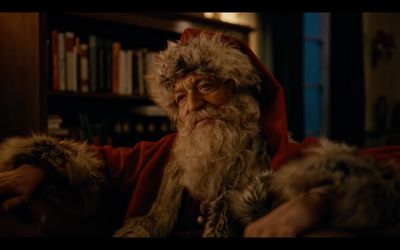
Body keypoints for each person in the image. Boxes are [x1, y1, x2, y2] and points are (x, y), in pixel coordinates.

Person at [1, 28, 400, 237]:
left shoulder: (290, 160)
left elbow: (383, 171)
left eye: (206, 86)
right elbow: (99, 161)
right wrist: (39, 166)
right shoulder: (161, 155)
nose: (192, 105)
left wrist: (316, 200)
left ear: (243, 94)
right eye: (179, 96)